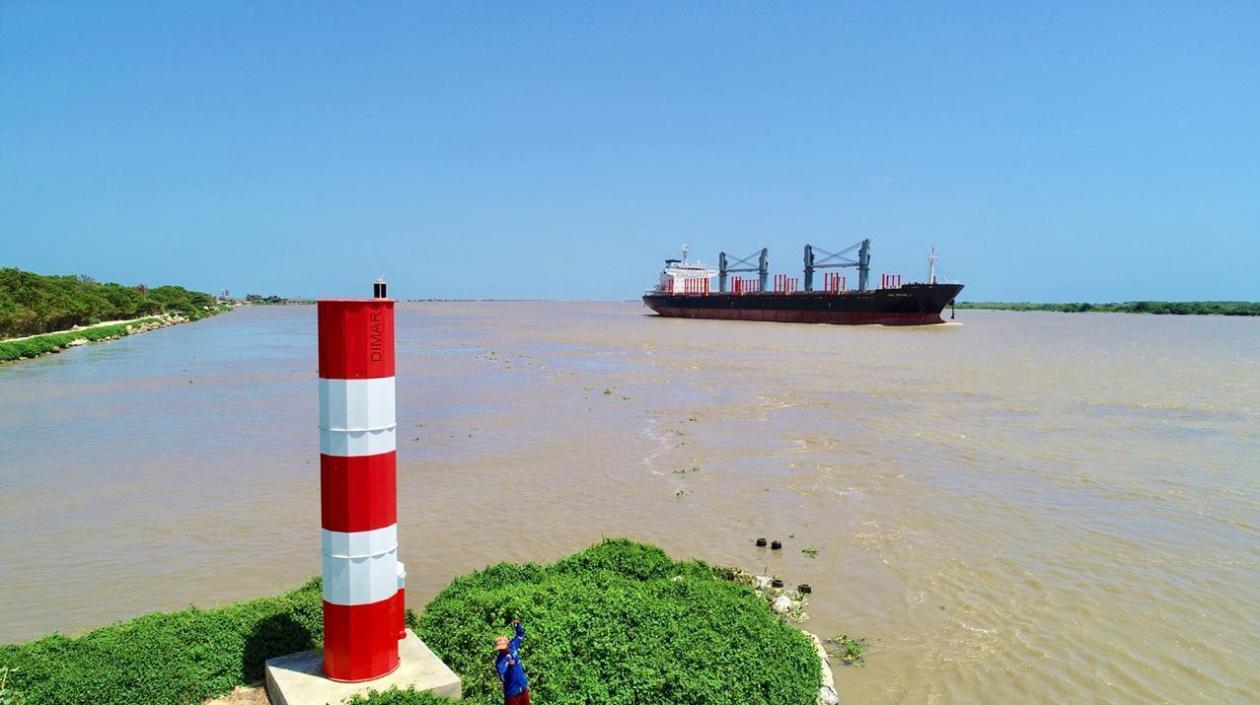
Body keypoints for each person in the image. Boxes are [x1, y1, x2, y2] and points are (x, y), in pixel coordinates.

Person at [494, 618, 530, 705]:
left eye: (504, 647)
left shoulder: (513, 646)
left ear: (508, 644)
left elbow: (520, 634)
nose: (502, 650)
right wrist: (510, 667)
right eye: (500, 649)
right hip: (512, 694)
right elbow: (503, 677)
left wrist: (517, 626)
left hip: (523, 687)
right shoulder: (499, 662)